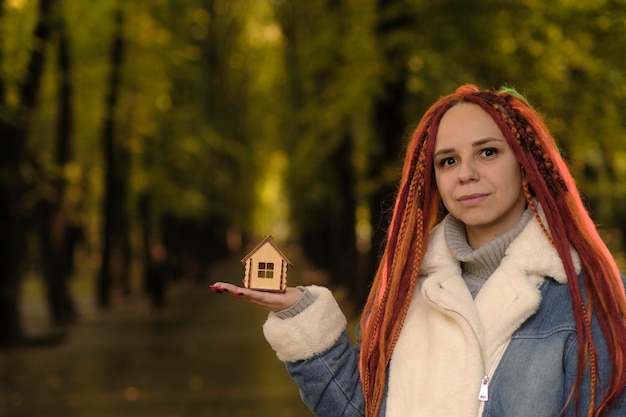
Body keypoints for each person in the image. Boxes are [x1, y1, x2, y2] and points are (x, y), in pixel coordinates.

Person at [211, 85, 626, 417]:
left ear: (526, 165)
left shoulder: (592, 299)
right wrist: (299, 313)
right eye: (447, 161)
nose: (466, 174)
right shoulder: (403, 293)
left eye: (487, 152)